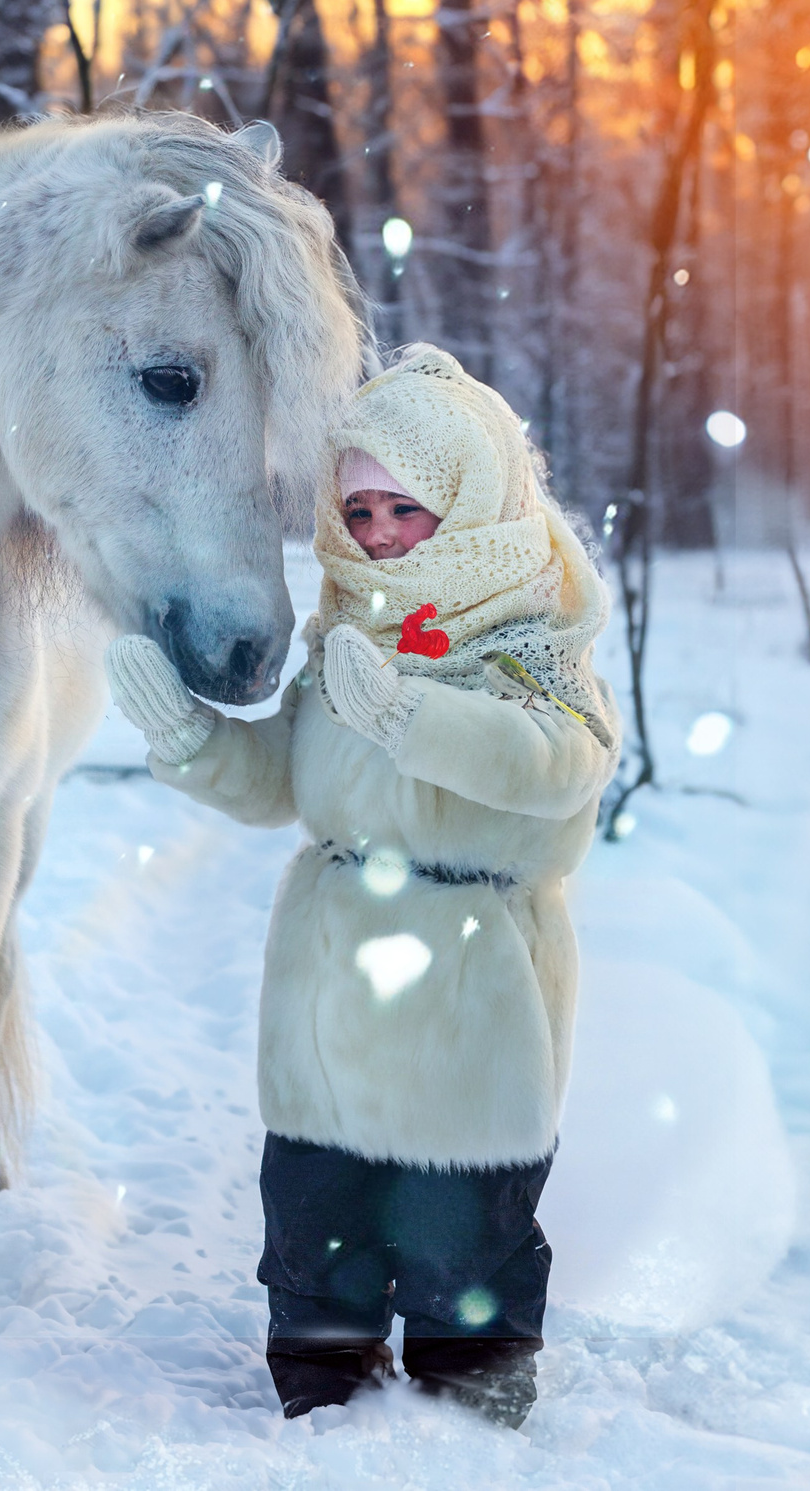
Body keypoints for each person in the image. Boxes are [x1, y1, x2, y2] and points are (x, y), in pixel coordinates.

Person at [105, 347, 618, 1424]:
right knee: (317, 1210)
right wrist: (187, 736)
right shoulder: (348, 629)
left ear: (470, 497)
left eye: (406, 508)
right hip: (332, 981)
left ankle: (469, 1393)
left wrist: (409, 719)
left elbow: (557, 764)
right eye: (362, 510)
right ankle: (323, 1378)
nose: (379, 534)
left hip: (472, 979)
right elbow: (281, 781)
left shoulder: (533, 640)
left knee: (462, 1220)